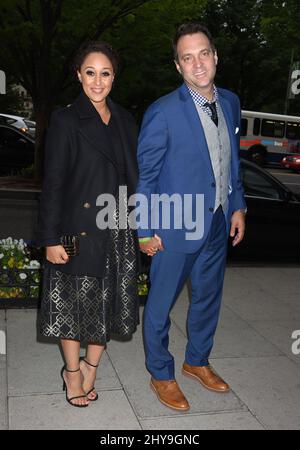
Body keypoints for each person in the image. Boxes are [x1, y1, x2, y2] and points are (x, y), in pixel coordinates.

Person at [136, 22, 246, 411]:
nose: (198, 64)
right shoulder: (162, 112)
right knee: (161, 305)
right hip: (173, 228)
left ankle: (196, 361)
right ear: (178, 66)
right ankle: (161, 373)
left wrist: (237, 206)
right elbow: (146, 177)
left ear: (215, 57)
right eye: (188, 57)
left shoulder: (230, 101)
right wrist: (145, 230)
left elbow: (231, 162)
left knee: (208, 299)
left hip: (217, 223)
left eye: (203, 54)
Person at [36, 41, 139, 407]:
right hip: (77, 228)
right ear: (79, 75)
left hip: (119, 229)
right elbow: (54, 183)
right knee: (73, 308)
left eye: (105, 73)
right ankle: (72, 372)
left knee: (108, 306)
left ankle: (91, 368)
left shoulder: (126, 120)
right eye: (90, 72)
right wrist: (49, 237)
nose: (98, 81)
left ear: (114, 76)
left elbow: (134, 180)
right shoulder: (65, 120)